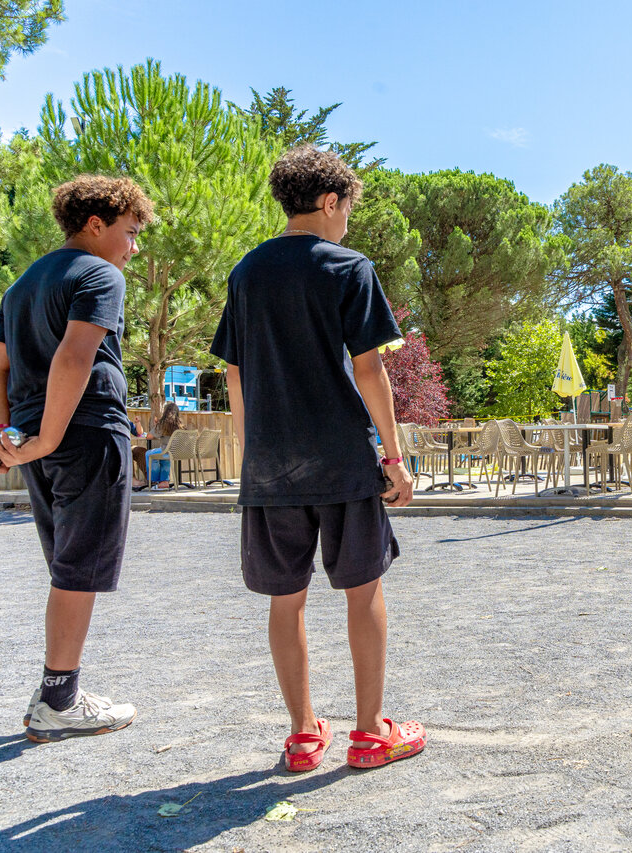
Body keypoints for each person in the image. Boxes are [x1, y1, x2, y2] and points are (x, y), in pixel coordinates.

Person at [210, 144, 424, 773]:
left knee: (287, 599)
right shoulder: (347, 267)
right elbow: (369, 368)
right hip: (341, 459)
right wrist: (393, 452)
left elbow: (235, 373)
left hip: (271, 465)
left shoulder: (246, 273)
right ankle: (367, 735)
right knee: (364, 590)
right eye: (348, 208)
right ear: (330, 201)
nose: (349, 221)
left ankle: (303, 736)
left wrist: (251, 456)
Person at [0, 174, 155, 741]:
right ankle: (60, 698)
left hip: (39, 435)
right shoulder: (100, 274)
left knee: (68, 567)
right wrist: (50, 437)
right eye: (128, 233)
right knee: (79, 569)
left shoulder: (22, 284)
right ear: (96, 224)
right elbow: (77, 359)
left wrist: (7, 435)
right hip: (82, 433)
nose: (132, 248)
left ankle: (56, 693)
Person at [140, 401, 185, 490]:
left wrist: (156, 426)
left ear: (165, 412)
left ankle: (154, 481)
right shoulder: (181, 425)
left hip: (167, 451)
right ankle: (164, 482)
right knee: (164, 457)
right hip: (178, 452)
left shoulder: (163, 424)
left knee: (149, 454)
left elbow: (149, 436)